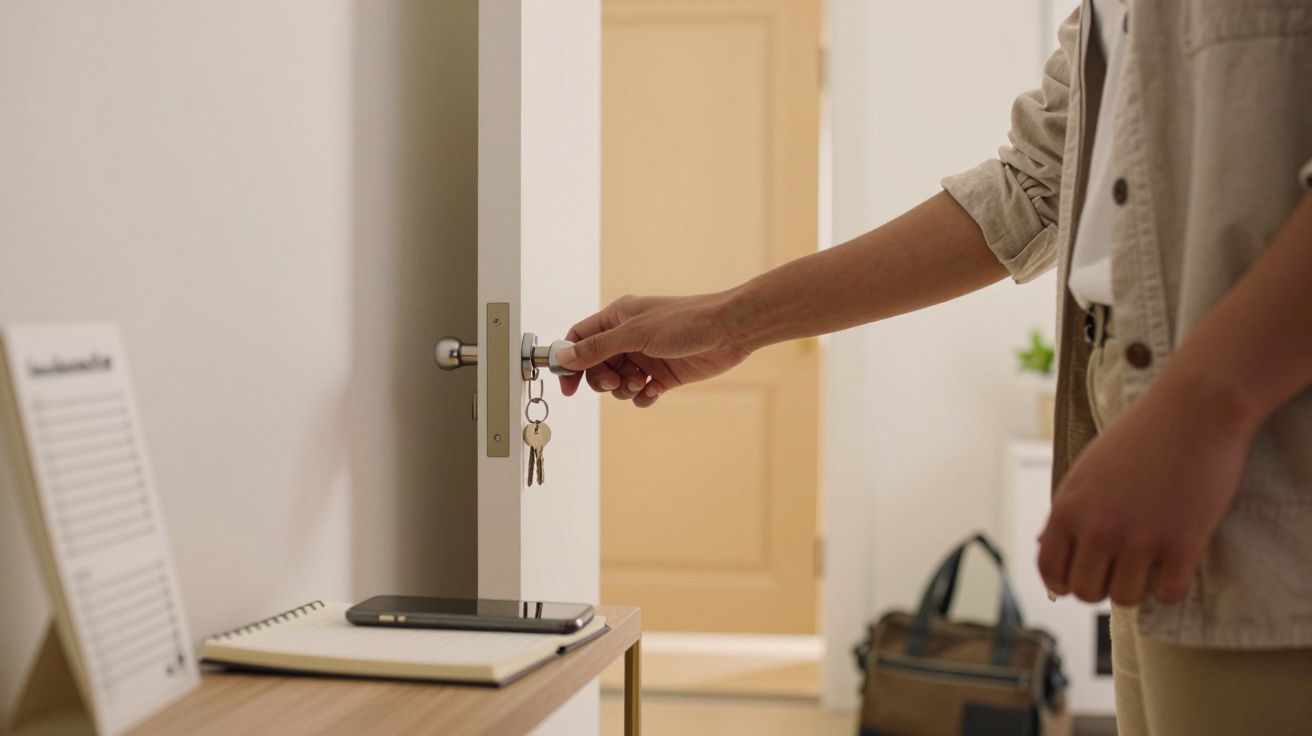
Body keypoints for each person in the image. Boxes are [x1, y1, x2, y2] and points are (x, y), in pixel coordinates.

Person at [555, 2, 1312, 734]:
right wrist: (731, 321)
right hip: (1155, 424)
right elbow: (1029, 187)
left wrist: (1204, 409)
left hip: (1257, 454)